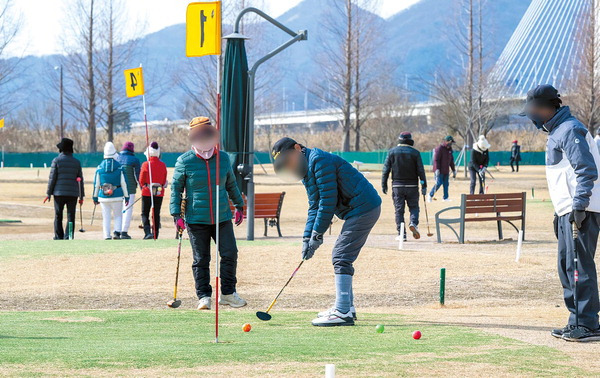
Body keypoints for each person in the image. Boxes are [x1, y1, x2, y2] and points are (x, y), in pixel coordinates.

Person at [271, 137, 381, 327]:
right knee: (342, 255)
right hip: (356, 210)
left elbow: (327, 202)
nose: (289, 166)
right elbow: (314, 205)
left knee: (341, 256)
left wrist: (318, 234)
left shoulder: (319, 161)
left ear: (298, 148)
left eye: (288, 160)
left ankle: (343, 311)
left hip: (364, 207)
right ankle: (347, 307)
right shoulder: (307, 170)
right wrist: (307, 237)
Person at [522, 84, 600, 342]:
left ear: (546, 108)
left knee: (579, 266)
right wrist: (560, 211)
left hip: (583, 208)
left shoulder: (570, 129)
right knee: (567, 266)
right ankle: (576, 320)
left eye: (533, 110)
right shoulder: (557, 130)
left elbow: (586, 171)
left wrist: (578, 205)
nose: (531, 116)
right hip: (569, 209)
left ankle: (588, 324)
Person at [170, 117, 246, 311]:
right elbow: (176, 189)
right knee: (201, 259)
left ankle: (228, 294)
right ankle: (204, 296)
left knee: (230, 254)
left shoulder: (223, 158)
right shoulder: (184, 161)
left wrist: (239, 205)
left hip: (221, 218)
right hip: (196, 219)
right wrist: (176, 214)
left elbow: (231, 184)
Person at [381, 132, 427, 241]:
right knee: (414, 207)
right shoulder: (415, 153)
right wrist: (424, 185)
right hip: (412, 186)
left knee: (399, 210)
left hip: (397, 186)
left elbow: (385, 170)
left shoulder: (392, 152)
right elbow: (421, 170)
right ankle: (413, 223)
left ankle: (402, 234)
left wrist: (384, 184)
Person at [45, 138, 84, 240]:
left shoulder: (56, 161)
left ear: (61, 149)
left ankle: (59, 236)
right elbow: (80, 180)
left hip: (58, 193)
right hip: (73, 194)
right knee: (71, 216)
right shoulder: (77, 162)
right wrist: (81, 196)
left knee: (58, 216)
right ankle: (69, 236)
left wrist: (48, 193)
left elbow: (52, 178)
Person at [92, 142, 130, 240]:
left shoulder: (99, 167)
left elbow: (96, 184)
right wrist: (127, 196)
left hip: (103, 197)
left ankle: (106, 235)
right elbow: (124, 183)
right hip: (117, 195)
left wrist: (95, 197)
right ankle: (117, 232)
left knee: (106, 217)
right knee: (118, 215)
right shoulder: (120, 167)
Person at [139, 142, 168, 240]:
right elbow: (164, 180)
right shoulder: (163, 165)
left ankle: (147, 232)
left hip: (147, 191)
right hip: (159, 192)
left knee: (145, 213)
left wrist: (143, 186)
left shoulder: (146, 164)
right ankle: (155, 233)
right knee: (156, 213)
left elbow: (141, 179)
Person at [116, 141, 141, 239]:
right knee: (128, 210)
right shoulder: (134, 160)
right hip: (130, 189)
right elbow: (137, 176)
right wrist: (142, 187)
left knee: (118, 210)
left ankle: (117, 231)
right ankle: (124, 231)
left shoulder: (117, 158)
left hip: (117, 189)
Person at [428, 136, 456, 202]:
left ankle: (445, 198)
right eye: (450, 142)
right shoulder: (440, 148)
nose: (451, 144)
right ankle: (430, 195)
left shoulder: (450, 150)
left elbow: (451, 161)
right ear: (447, 141)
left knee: (446, 184)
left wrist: (454, 170)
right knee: (438, 183)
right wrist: (437, 169)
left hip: (446, 170)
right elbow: (436, 160)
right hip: (439, 170)